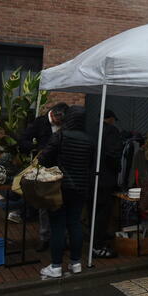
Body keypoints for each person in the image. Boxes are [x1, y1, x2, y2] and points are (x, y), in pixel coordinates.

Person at [38, 106, 95, 278]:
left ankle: (56, 266)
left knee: (57, 226)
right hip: (81, 188)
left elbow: (43, 159)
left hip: (60, 187)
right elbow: (91, 165)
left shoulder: (60, 136)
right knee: (75, 224)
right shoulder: (90, 140)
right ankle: (75, 263)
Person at [18, 102, 69, 252]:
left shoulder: (66, 125)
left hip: (62, 168)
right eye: (58, 121)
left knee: (61, 202)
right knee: (45, 204)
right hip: (45, 168)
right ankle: (44, 237)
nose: (59, 124)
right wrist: (36, 149)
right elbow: (23, 140)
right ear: (53, 114)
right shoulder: (40, 122)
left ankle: (62, 238)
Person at [91, 109, 123, 258]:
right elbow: (113, 155)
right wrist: (117, 169)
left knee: (92, 211)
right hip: (105, 178)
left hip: (89, 177)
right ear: (109, 119)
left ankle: (92, 240)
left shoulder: (91, 129)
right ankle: (97, 245)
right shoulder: (111, 131)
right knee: (103, 213)